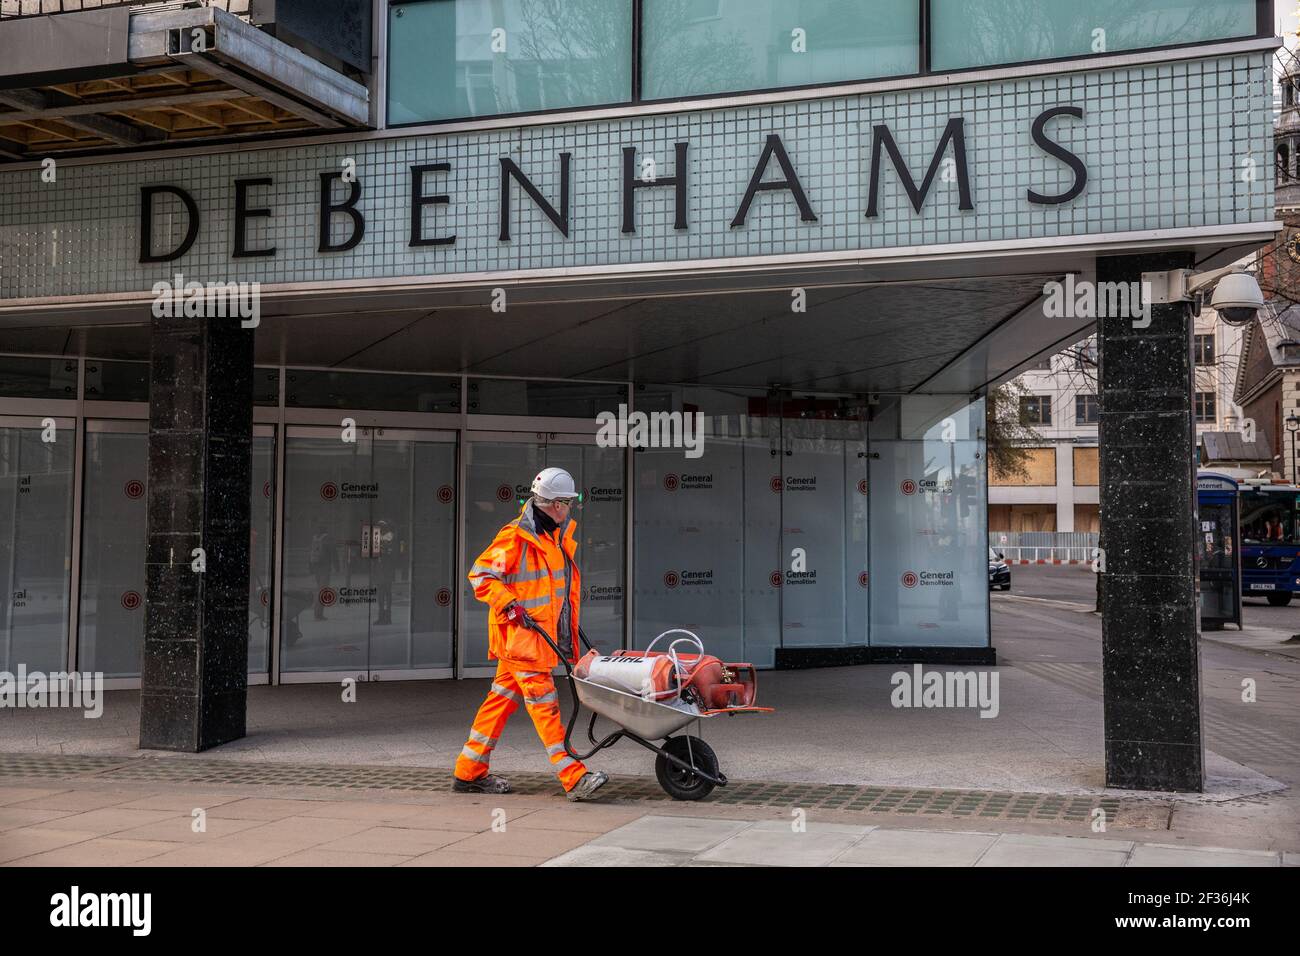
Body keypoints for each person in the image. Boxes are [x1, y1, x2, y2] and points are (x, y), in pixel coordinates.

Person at [453, 467, 609, 802]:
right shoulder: (515, 537)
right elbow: (480, 576)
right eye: (568, 502)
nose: (570, 508)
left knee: (498, 704)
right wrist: (510, 605)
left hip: (528, 641)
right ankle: (573, 777)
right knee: (545, 706)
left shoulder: (551, 536)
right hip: (524, 641)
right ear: (555, 505)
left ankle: (468, 771)